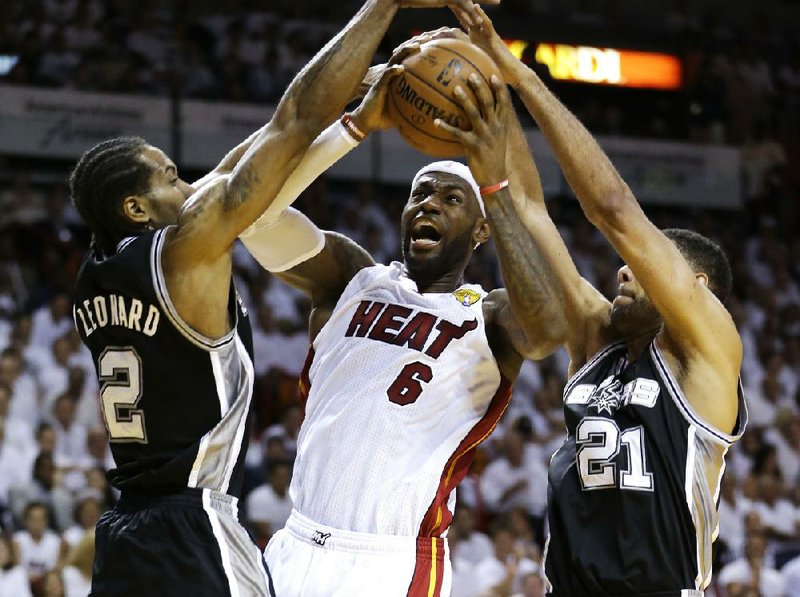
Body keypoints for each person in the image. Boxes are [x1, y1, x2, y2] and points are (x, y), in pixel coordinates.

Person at [69, 1, 486, 595]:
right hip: (194, 527)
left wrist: (357, 119)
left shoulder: (96, 272)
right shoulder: (185, 250)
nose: (188, 184)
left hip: (125, 531)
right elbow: (290, 122)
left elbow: (235, 174)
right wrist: (382, 10)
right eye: (170, 178)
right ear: (136, 209)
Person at [240, 36, 565, 596]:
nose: (429, 204)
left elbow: (549, 327)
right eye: (420, 193)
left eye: (450, 199)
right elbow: (253, 217)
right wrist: (353, 128)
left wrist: (495, 186)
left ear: (480, 230)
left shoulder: (486, 318)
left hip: (389, 562)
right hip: (292, 544)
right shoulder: (350, 275)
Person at [448, 7, 748, 595]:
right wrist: (489, 86)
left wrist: (523, 77)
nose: (622, 269)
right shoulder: (595, 338)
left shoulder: (709, 353)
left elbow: (612, 208)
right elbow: (531, 211)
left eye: (647, 265)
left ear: (696, 290)